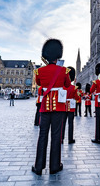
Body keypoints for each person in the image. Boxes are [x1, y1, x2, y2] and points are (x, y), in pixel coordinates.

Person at [32, 39, 71, 176]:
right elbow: (67, 84)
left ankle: (38, 167)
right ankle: (54, 166)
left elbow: (39, 83)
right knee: (56, 136)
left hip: (44, 108)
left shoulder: (39, 71)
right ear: (58, 56)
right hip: (59, 108)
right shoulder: (64, 71)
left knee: (42, 136)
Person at [62, 67, 79, 144]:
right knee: (70, 123)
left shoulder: (62, 87)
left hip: (63, 106)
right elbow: (77, 98)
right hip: (71, 107)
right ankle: (70, 139)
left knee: (62, 123)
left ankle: (61, 138)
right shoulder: (74, 88)